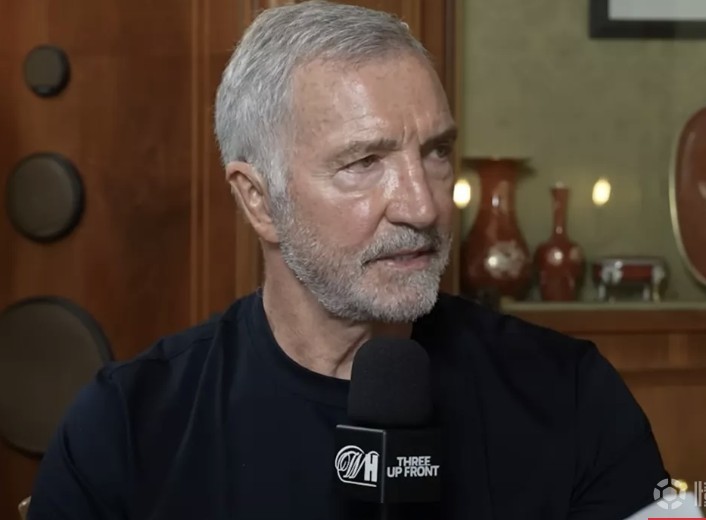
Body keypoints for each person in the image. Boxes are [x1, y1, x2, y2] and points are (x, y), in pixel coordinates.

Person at [28, 2, 669, 519]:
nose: (422, 205)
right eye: (364, 162)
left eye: (436, 153)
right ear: (258, 200)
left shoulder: (571, 397)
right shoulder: (125, 430)